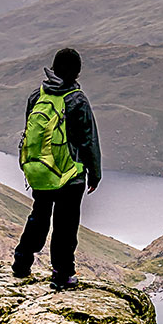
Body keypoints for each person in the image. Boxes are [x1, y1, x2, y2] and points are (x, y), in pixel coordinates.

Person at [12, 46, 101, 287]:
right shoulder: (76, 99)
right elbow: (88, 140)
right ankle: (63, 274)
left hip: (42, 170)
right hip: (69, 175)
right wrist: (95, 173)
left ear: (53, 68)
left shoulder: (37, 96)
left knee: (39, 215)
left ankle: (21, 262)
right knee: (65, 224)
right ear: (77, 72)